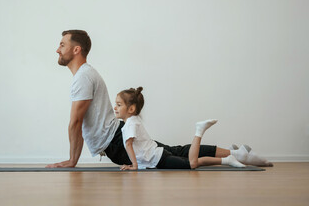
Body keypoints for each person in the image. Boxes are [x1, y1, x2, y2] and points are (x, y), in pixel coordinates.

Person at [46, 29, 272, 168]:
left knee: (179, 159)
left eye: (62, 44)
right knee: (174, 151)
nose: (58, 49)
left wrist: (71, 161)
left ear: (76, 50)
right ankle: (237, 153)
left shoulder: (83, 78)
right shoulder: (85, 75)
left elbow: (75, 123)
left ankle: (235, 155)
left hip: (117, 142)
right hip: (117, 137)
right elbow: (78, 124)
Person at [114, 87, 273, 170]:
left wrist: (133, 166)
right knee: (193, 162)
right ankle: (227, 159)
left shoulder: (130, 124)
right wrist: (137, 165)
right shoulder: (132, 121)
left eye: (119, 105)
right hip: (156, 157)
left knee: (192, 163)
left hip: (158, 158)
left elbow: (128, 145)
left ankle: (200, 132)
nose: (115, 108)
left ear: (131, 109)